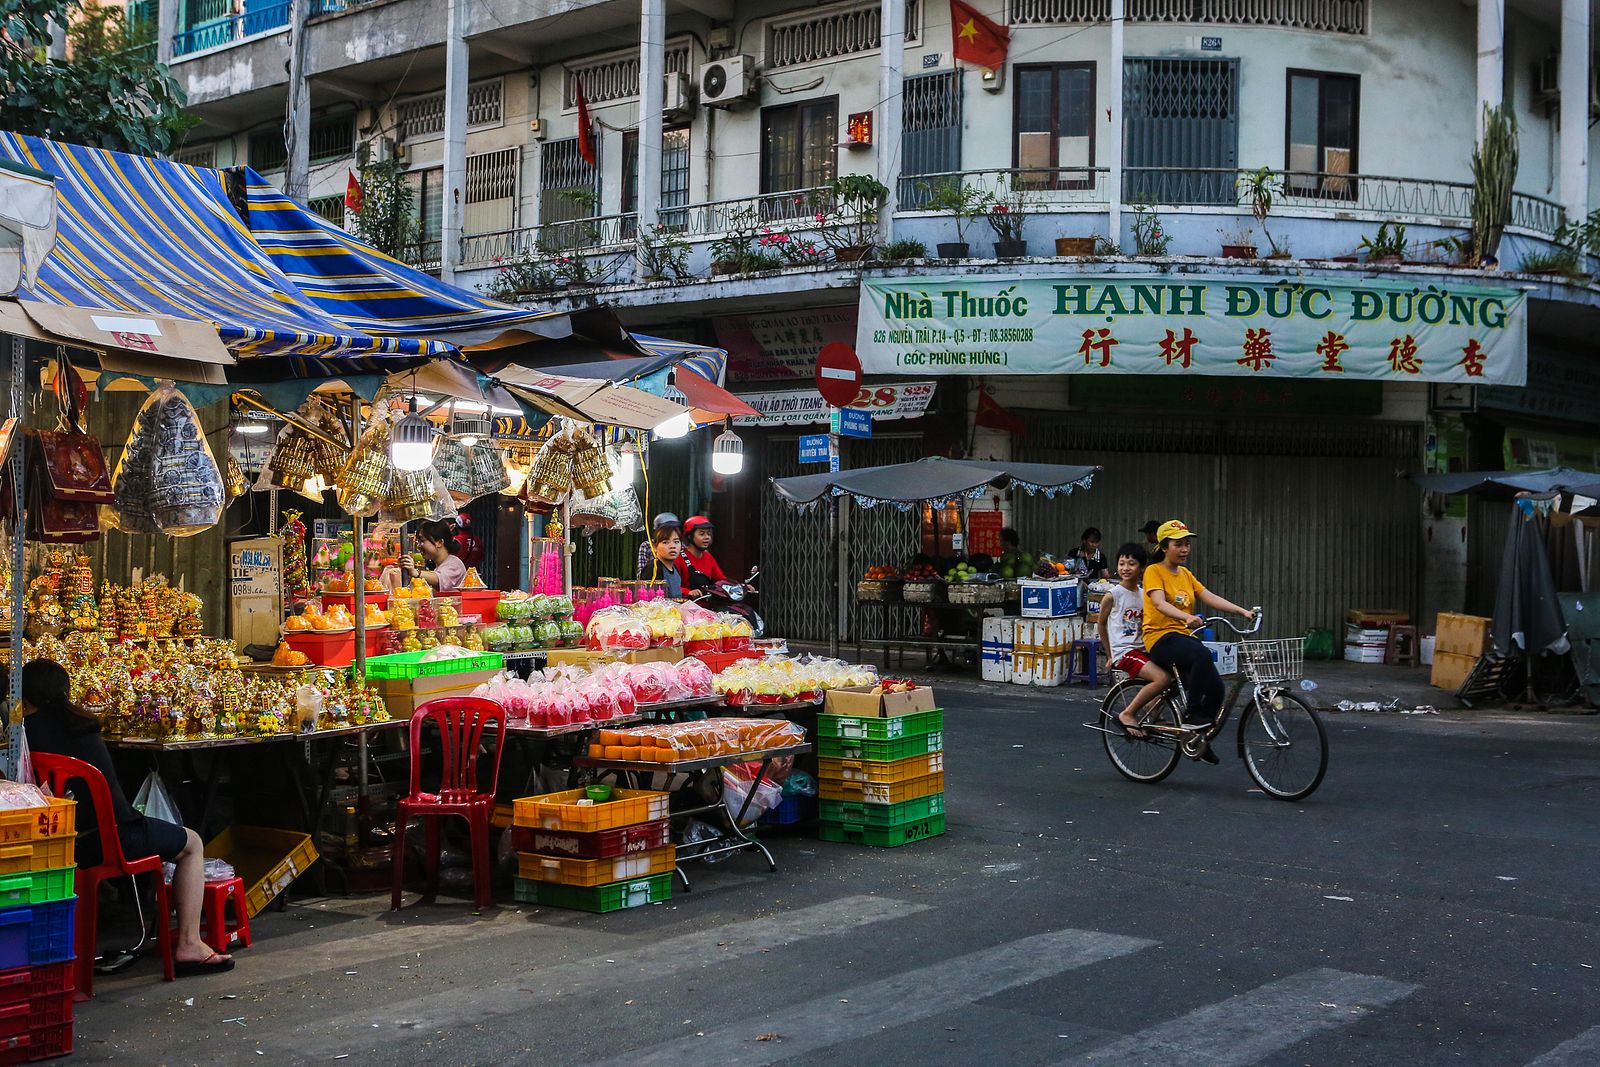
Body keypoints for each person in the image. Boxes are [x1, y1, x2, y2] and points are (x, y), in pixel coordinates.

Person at [19, 659, 234, 976]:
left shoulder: (23, 735)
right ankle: (189, 943)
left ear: (25, 698)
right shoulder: (84, 728)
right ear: (65, 692)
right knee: (193, 843)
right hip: (110, 841)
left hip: (60, 844)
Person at [1142, 520, 1256, 763]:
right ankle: (1191, 714)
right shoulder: (1154, 571)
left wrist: (1242, 612)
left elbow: (1209, 596)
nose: (1184, 549)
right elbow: (1160, 603)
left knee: (1217, 689)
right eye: (1178, 545)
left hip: (1181, 638)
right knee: (1201, 655)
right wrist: (1187, 617)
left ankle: (1199, 740)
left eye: (1187, 544)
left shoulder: (1185, 574)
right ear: (1164, 547)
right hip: (1159, 638)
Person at [1097, 543, 1171, 738]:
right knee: (1161, 678)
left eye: (1131, 564)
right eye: (1122, 563)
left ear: (1142, 568)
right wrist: (1110, 654)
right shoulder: (1113, 595)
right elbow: (1102, 625)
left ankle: (1154, 713)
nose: (1125, 568)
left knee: (1173, 674)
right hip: (1125, 652)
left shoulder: (1145, 594)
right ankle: (1128, 714)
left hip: (1143, 649)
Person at [391, 518, 467, 594]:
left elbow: (438, 579)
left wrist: (416, 572)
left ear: (439, 542)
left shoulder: (455, 563)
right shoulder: (439, 566)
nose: (418, 545)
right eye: (418, 541)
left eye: (422, 540)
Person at [636, 515, 684, 598]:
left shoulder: (675, 569)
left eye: (676, 542)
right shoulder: (653, 568)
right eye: (665, 542)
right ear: (655, 547)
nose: (672, 546)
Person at [678, 515, 728, 593]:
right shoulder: (679, 557)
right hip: (685, 603)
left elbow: (721, 579)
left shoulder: (708, 556)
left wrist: (739, 587)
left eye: (708, 534)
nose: (707, 537)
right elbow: (671, 587)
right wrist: (688, 592)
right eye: (702, 534)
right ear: (690, 536)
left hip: (707, 602)